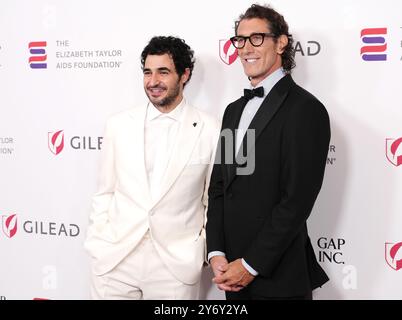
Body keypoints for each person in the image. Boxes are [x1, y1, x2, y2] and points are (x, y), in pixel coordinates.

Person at [206, 4, 330, 300]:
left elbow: (296, 201)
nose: (246, 47)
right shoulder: (233, 111)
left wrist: (251, 265)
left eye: (257, 38)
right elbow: (221, 186)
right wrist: (216, 250)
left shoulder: (306, 109)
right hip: (230, 274)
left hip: (278, 275)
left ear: (282, 42)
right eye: (240, 40)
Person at [84, 36, 220, 299]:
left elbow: (212, 199)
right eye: (147, 72)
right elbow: (105, 191)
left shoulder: (212, 128)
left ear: (184, 75)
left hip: (175, 264)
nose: (153, 81)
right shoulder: (118, 125)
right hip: (115, 258)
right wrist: (99, 240)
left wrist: (200, 250)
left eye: (163, 72)